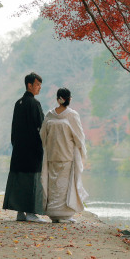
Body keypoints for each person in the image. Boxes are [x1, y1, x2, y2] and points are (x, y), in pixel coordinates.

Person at [39, 88, 88, 223]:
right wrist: (82, 152)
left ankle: (56, 214)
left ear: (58, 98)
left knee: (55, 186)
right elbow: (79, 137)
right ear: (69, 99)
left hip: (53, 154)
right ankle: (62, 214)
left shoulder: (50, 115)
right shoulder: (72, 115)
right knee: (63, 187)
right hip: (66, 155)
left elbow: (43, 135)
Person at [3, 72, 46, 222]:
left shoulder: (18, 103)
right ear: (30, 85)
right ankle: (32, 213)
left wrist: (15, 144)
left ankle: (20, 213)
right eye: (38, 84)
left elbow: (14, 128)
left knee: (20, 180)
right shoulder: (35, 104)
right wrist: (43, 144)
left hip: (19, 149)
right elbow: (42, 127)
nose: (40, 88)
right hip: (32, 149)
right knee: (32, 180)